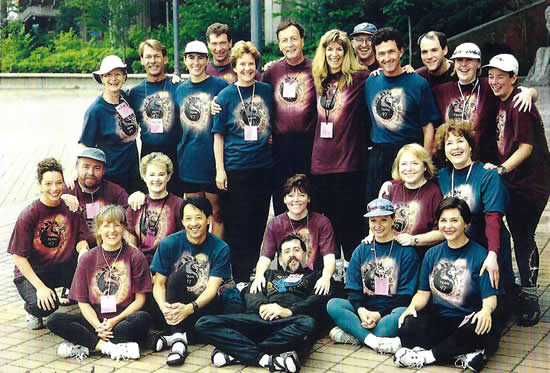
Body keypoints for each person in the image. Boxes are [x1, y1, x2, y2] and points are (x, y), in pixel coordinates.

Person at [195, 234, 333, 372]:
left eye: (296, 250)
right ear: (279, 258)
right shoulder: (268, 275)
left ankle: (239, 354)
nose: (292, 255)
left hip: (288, 322)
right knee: (204, 323)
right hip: (258, 319)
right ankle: (266, 359)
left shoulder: (315, 276)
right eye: (287, 251)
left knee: (308, 324)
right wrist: (263, 305)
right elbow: (252, 293)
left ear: (306, 255)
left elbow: (317, 299)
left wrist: (288, 311)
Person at [393, 197, 500, 372]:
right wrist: (411, 307)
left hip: (468, 320)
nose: (448, 226)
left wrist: (486, 311)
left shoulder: (481, 256)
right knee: (407, 325)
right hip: (441, 320)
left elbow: (490, 299)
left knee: (481, 328)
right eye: (443, 221)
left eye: (454, 220)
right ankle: (463, 353)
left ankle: (426, 357)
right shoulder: (432, 254)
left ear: (466, 223)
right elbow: (422, 293)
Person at [484, 54, 550, 326]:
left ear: (514, 78)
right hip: (515, 182)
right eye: (491, 76)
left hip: (530, 183)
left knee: (523, 236)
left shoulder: (520, 105)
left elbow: (526, 148)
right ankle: (516, 288)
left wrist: (501, 170)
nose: (495, 81)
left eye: (502, 76)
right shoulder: (504, 101)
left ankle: (530, 295)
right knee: (513, 233)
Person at [47, 205, 152, 362]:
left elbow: (140, 300)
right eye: (106, 225)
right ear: (99, 230)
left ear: (124, 227)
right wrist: (98, 326)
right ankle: (110, 348)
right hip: (95, 321)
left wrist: (114, 321)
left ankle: (87, 345)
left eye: (117, 225)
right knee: (54, 320)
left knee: (142, 319)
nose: (112, 231)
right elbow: (82, 302)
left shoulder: (135, 256)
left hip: (123, 320)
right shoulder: (87, 259)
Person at [212, 40, 273, 282]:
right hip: (236, 168)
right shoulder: (225, 96)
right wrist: (220, 170)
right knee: (238, 224)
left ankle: (252, 273)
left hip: (263, 167)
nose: (247, 68)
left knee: (259, 222)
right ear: (234, 67)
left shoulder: (266, 91)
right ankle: (238, 277)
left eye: (251, 64)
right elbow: (218, 136)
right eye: (242, 64)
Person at [327, 198, 419, 354]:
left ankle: (356, 334)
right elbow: (353, 288)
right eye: (373, 220)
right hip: (364, 308)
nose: (378, 225)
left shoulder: (406, 252)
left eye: (383, 219)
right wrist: (361, 310)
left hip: (390, 311)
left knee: (401, 316)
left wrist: (379, 314)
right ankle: (374, 341)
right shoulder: (362, 249)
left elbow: (405, 294)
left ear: (393, 219)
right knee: (333, 304)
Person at [433, 120, 514, 295]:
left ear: (470, 147)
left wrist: (493, 254)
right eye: (449, 143)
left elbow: (493, 218)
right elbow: (412, 177)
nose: (455, 147)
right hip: (457, 246)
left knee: (493, 306)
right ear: (445, 152)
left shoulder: (488, 175)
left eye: (460, 141)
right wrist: (389, 184)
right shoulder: (441, 176)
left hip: (487, 244)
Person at [310, 29, 370, 261]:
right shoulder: (316, 79)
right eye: (329, 49)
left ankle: (353, 274)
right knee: (327, 226)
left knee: (351, 225)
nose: (334, 54)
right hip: (320, 165)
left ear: (346, 53)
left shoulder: (359, 78)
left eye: (339, 49)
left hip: (349, 165)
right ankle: (331, 274)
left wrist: (407, 68)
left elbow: (388, 74)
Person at [150, 197, 231, 366]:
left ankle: (174, 338)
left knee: (225, 308)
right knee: (178, 276)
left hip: (200, 306)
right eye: (188, 218)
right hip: (173, 307)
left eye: (198, 217)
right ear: (182, 221)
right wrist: (163, 306)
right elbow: (159, 284)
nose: (193, 223)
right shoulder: (168, 243)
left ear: (208, 219)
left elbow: (212, 288)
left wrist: (189, 308)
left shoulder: (220, 248)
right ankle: (178, 342)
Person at [7, 158, 87, 330]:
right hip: (32, 273)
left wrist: (83, 251)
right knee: (45, 306)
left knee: (92, 279)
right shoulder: (29, 214)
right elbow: (19, 258)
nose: (54, 188)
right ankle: (32, 308)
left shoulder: (70, 207)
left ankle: (67, 292)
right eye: (48, 183)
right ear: (40, 185)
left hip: (61, 267)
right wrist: (41, 288)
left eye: (59, 183)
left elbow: (82, 238)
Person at [364, 27, 440, 205]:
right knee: (377, 207)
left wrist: (425, 164)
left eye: (391, 51)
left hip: (409, 153)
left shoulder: (418, 84)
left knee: (407, 208)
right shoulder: (370, 82)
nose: (387, 58)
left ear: (401, 51)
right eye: (381, 53)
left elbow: (428, 128)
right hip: (379, 154)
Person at [432, 43, 536, 164]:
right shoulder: (440, 91)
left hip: (485, 165)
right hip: (453, 163)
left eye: (469, 60)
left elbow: (515, 91)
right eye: (459, 60)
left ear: (479, 63)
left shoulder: (491, 85)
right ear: (453, 63)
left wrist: (530, 93)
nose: (464, 64)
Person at [262, 20, 317, 215]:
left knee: (310, 197)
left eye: (294, 39)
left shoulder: (316, 69)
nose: (289, 44)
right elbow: (253, 97)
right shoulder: (271, 72)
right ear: (279, 44)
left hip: (309, 144)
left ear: (302, 40)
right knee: (282, 196)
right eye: (284, 40)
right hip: (280, 146)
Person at [250, 174, 336, 295]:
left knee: (328, 293)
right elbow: (265, 258)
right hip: (285, 281)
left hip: (313, 280)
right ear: (285, 199)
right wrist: (259, 276)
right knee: (254, 291)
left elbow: (329, 257)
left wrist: (326, 277)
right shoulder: (275, 224)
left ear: (308, 198)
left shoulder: (322, 222)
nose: (296, 200)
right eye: (290, 196)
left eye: (301, 195)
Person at [175, 40, 228, 238]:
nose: (195, 62)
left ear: (207, 60)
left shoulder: (220, 85)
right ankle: (196, 256)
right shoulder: (179, 89)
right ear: (185, 61)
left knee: (217, 213)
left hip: (212, 161)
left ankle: (217, 257)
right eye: (191, 58)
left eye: (200, 58)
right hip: (188, 160)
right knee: (193, 214)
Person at [128, 39, 182, 194]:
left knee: (174, 203)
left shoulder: (177, 87)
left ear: (165, 59)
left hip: (174, 156)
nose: (153, 61)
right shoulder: (135, 93)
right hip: (148, 155)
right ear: (142, 60)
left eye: (157, 56)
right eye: (148, 57)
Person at [80, 55, 140, 193]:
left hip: (133, 176)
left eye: (118, 74)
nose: (113, 79)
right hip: (111, 179)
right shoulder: (95, 110)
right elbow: (84, 145)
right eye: (108, 75)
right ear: (101, 78)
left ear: (124, 77)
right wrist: (78, 172)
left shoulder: (127, 98)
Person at [382, 144, 443, 258]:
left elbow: (442, 232)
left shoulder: (434, 192)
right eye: (404, 164)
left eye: (415, 163)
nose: (408, 168)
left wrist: (414, 240)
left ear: (425, 166)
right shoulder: (391, 189)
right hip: (391, 255)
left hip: (421, 257)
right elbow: (378, 222)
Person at [62, 147, 128, 248]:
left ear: (103, 171)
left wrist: (137, 197)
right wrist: (60, 199)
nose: (91, 173)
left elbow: (131, 220)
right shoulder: (67, 191)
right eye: (86, 166)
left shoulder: (116, 193)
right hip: (74, 251)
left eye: (97, 168)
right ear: (76, 167)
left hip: (108, 250)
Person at [126, 152, 183, 265]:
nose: (156, 179)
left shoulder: (179, 205)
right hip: (140, 263)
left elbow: (183, 242)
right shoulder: (136, 204)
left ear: (168, 176)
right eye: (152, 175)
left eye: (161, 174)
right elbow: (130, 239)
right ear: (144, 177)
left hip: (168, 263)